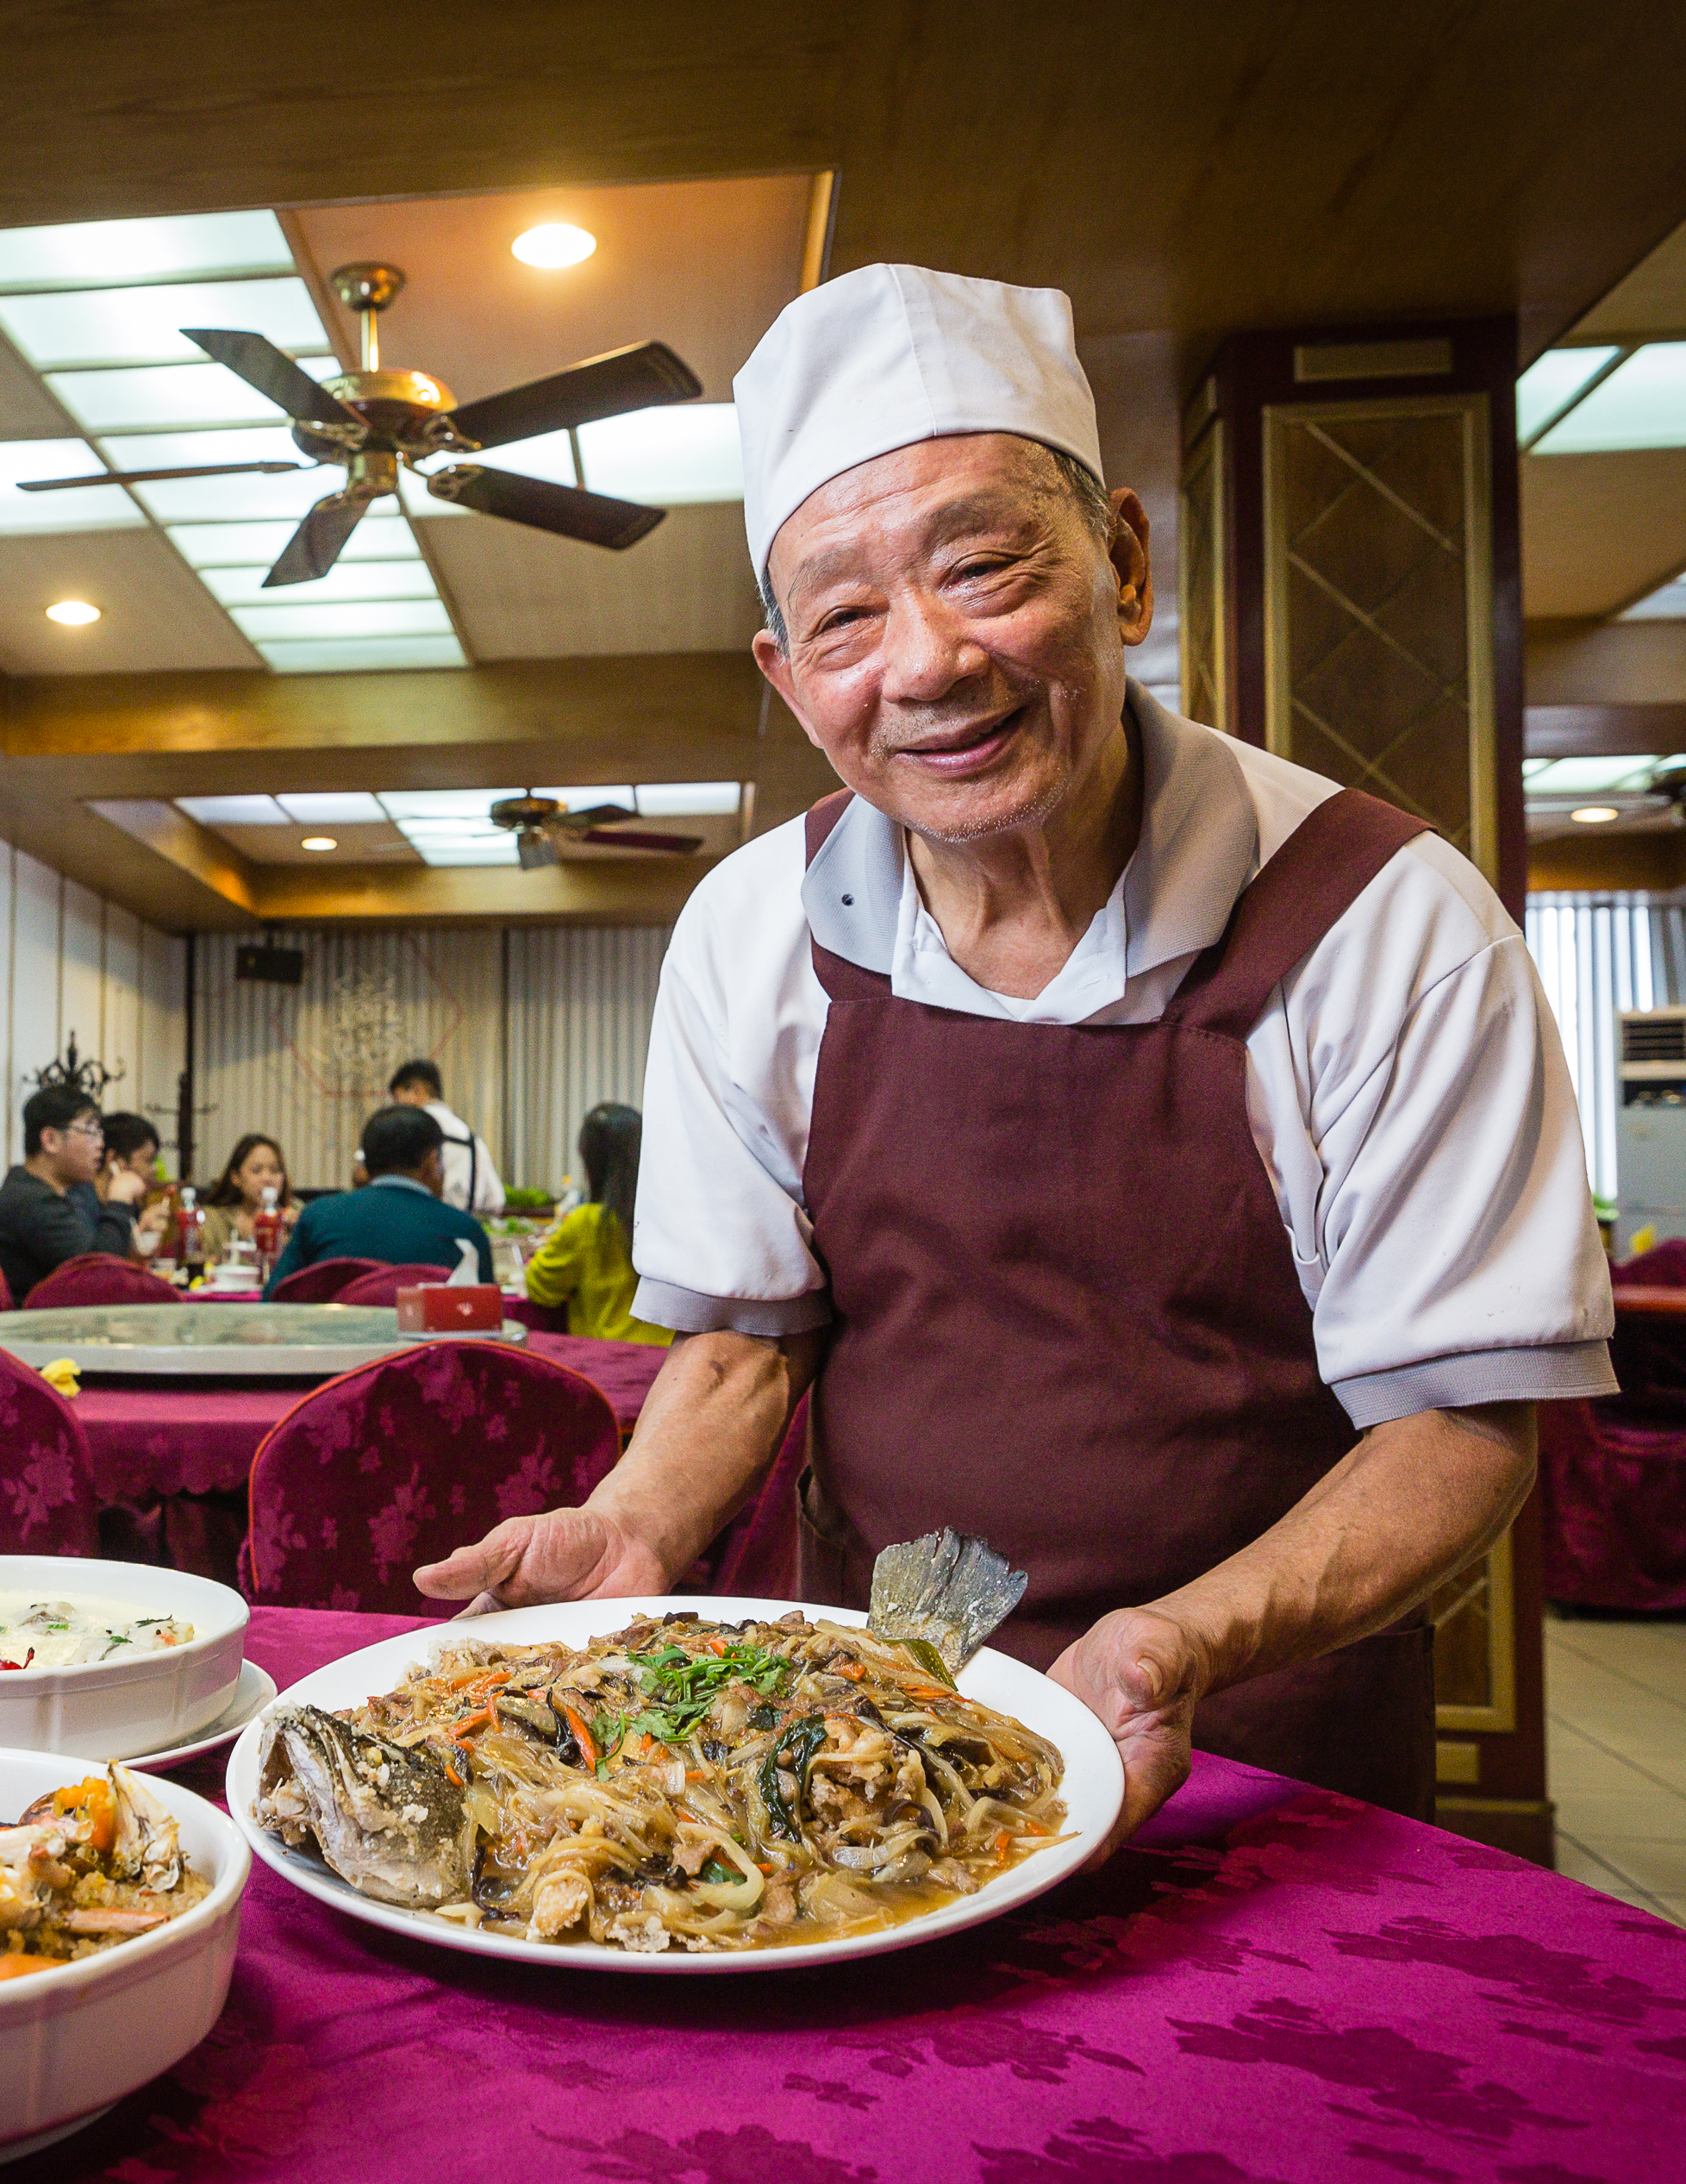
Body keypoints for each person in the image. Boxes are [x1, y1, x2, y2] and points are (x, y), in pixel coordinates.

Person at [414, 264, 1611, 1852]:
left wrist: (1182, 1643)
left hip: (1263, 1748)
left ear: (1124, 564)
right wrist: (634, 1523)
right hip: (863, 1737)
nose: (925, 664)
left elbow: (1463, 1420)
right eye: (845, 617)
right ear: (788, 678)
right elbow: (744, 1344)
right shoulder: (752, 930)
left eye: (982, 566)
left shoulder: (1384, 920)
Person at [268, 1105, 495, 1292]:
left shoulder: (318, 1217)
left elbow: (274, 1297)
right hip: (424, 1337)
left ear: (366, 1164)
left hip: (335, 1335)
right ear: (430, 1162)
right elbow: (487, 1321)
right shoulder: (464, 1230)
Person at [0, 1086, 151, 1303]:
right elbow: (101, 1278)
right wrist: (120, 1199)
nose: (100, 1144)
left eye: (100, 1133)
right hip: (32, 1323)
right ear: (51, 1140)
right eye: (90, 1131)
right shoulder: (32, 1200)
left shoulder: (32, 1191)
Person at [519, 1104, 668, 1347]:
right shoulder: (670, 1216)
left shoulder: (586, 1222)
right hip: (670, 1356)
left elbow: (540, 1288)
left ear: (590, 1162)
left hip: (608, 1358)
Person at [385, 1061, 506, 1217]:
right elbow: (495, 1201)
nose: (396, 1107)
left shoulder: (402, 1131)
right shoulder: (472, 1140)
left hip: (413, 1224)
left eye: (397, 1098)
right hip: (460, 1225)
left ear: (416, 1090)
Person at [200, 1133, 296, 1262]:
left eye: (274, 1170)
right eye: (256, 1171)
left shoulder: (296, 1215)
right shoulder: (213, 1218)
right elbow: (198, 1261)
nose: (267, 1179)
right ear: (236, 1177)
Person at [98, 1111, 172, 1261]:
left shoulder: (133, 1206)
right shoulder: (81, 1206)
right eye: (148, 1160)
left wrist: (144, 1238)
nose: (154, 1169)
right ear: (115, 1159)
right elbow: (98, 1266)